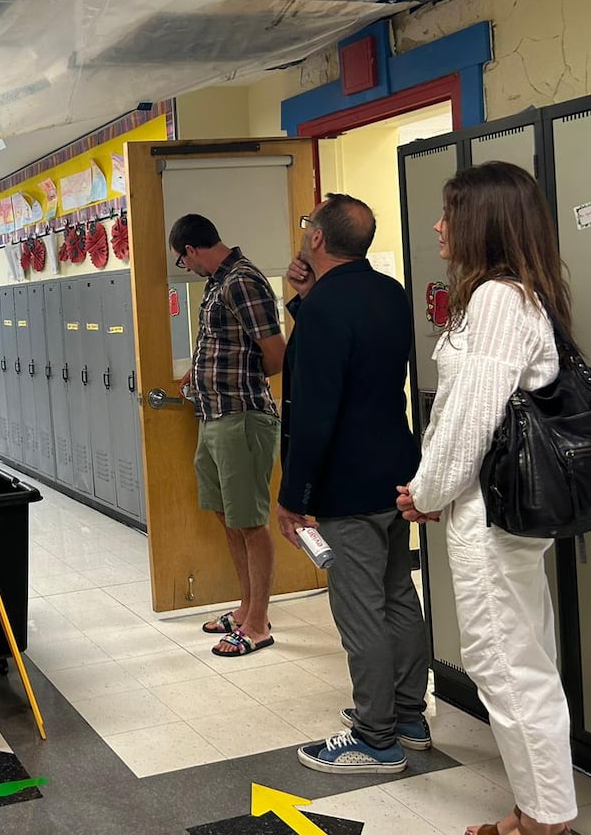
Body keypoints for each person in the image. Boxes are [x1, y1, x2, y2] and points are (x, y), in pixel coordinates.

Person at [397, 162, 575, 835]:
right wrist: (437, 491)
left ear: (483, 222)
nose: (439, 226)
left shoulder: (500, 300)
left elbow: (470, 417)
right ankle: (537, 809)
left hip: (490, 512)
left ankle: (544, 821)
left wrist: (426, 492)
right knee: (519, 657)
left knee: (505, 664)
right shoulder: (519, 294)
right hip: (493, 508)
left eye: (450, 214)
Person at [273, 194, 429, 775]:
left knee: (360, 608)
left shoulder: (324, 312)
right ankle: (409, 717)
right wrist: (306, 294)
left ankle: (374, 736)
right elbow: (356, 358)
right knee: (397, 596)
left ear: (317, 239)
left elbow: (315, 412)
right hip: (397, 471)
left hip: (347, 485)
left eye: (307, 224)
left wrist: (294, 498)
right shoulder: (390, 293)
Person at [170, 213, 286, 657]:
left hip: (242, 416)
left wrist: (238, 384)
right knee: (227, 515)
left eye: (183, 260)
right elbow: (224, 346)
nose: (187, 267)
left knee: (251, 523)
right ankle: (244, 607)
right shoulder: (217, 284)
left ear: (192, 250)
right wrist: (194, 379)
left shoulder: (241, 280)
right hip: (213, 416)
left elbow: (275, 354)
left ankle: (258, 624)